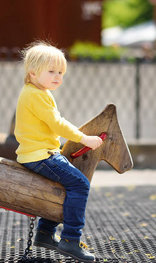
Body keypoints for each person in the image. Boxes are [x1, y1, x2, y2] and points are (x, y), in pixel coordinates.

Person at [14, 41, 103, 262]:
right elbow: (57, 124)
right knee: (80, 184)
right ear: (33, 72)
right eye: (52, 71)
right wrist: (85, 139)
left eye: (61, 72)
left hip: (36, 153)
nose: (58, 76)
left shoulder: (35, 91)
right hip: (40, 155)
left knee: (63, 185)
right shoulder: (36, 95)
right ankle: (71, 240)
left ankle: (45, 233)